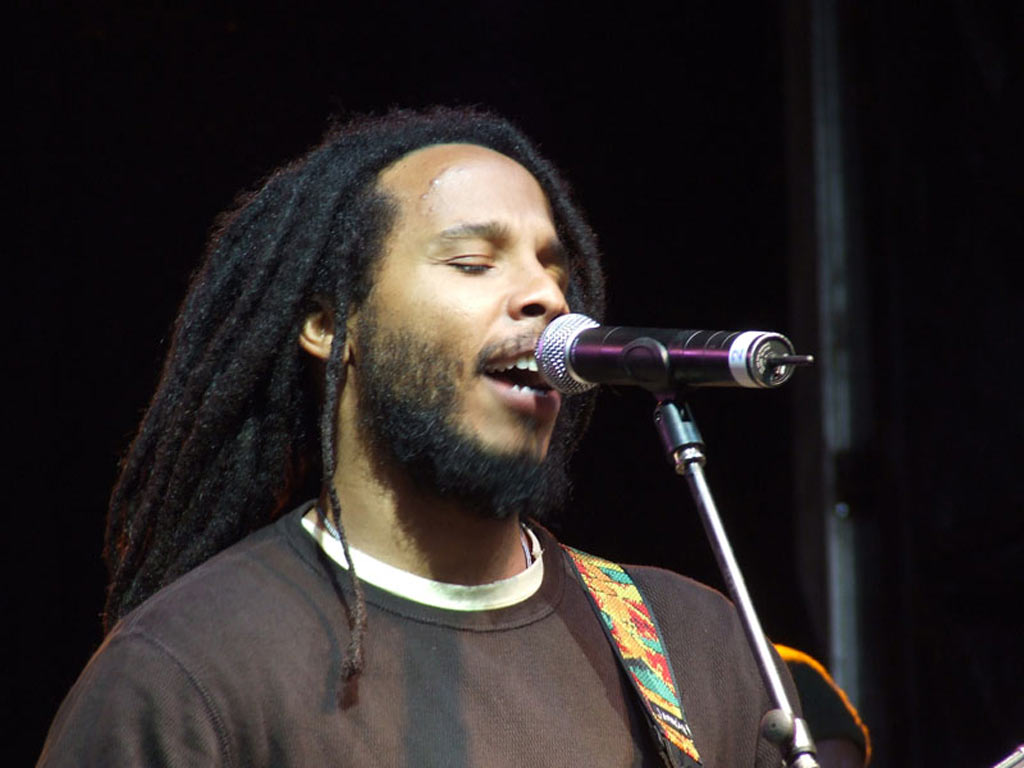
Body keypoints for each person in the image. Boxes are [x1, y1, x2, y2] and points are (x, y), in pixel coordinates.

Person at [38, 108, 801, 766]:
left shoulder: (699, 646)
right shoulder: (191, 672)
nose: (545, 296)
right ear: (331, 323)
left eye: (553, 269)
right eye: (473, 263)